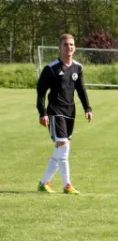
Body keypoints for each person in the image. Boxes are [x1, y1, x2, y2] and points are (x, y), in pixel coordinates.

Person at [36, 33, 93, 195]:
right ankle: (67, 184)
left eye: (72, 45)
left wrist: (87, 108)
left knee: (60, 149)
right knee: (64, 147)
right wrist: (43, 113)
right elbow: (40, 92)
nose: (70, 47)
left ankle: (43, 182)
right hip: (55, 111)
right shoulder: (51, 68)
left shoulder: (77, 67)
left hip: (70, 112)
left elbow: (81, 89)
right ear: (59, 48)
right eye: (66, 45)